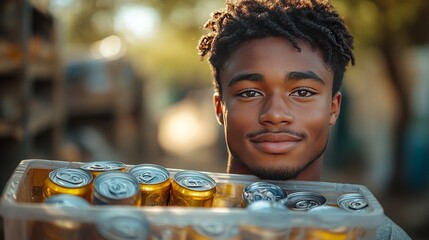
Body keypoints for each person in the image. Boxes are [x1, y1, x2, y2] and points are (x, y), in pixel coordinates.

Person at [197, 0, 410, 239]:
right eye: (250, 93)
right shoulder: (164, 226)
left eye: (303, 92)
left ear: (333, 108)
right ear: (219, 108)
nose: (275, 115)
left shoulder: (381, 235)